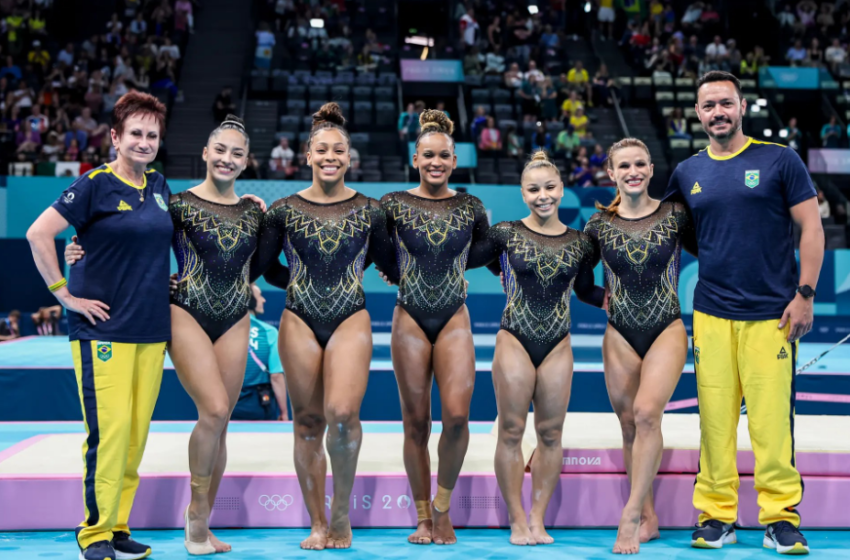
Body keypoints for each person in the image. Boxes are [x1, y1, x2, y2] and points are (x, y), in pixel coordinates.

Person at [64, 114, 269, 557]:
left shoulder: (254, 210)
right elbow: (129, 238)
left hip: (234, 315)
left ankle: (203, 524)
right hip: (185, 312)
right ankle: (192, 520)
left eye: (237, 153)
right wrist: (77, 251)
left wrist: (251, 283)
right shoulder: (172, 202)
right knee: (213, 411)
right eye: (220, 150)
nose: (227, 159)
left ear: (246, 161)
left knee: (222, 425)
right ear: (205, 153)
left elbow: (258, 263)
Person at [665, 70, 824, 554]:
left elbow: (811, 227)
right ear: (698, 113)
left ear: (741, 106)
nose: (718, 113)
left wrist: (806, 293)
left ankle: (779, 516)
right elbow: (668, 233)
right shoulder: (686, 173)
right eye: (709, 105)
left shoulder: (779, 160)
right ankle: (716, 515)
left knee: (772, 422)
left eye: (726, 103)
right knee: (714, 420)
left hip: (772, 316)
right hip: (712, 315)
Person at [27, 91, 171, 560]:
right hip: (102, 332)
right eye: (136, 133)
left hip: (151, 331)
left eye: (152, 135)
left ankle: (119, 524)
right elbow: (39, 233)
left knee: (134, 435)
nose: (144, 142)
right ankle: (94, 532)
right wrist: (63, 294)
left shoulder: (161, 187)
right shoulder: (93, 185)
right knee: (107, 434)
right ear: (115, 136)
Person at [253, 102, 399, 550]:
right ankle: (318, 522)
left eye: (338, 149)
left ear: (348, 157)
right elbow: (263, 267)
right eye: (322, 149)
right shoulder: (283, 210)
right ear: (308, 155)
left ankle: (341, 512)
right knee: (308, 422)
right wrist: (297, 279)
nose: (330, 156)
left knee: (342, 414)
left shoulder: (371, 211)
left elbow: (391, 262)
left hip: (349, 315)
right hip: (298, 317)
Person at [379, 110, 491, 546]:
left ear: (455, 159)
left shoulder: (470, 207)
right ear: (415, 157)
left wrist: (455, 268)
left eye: (444, 155)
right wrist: (396, 273)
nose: (436, 162)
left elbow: (483, 252)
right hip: (409, 315)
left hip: (453, 316)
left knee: (459, 418)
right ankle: (424, 516)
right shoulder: (392, 204)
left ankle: (443, 509)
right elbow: (374, 250)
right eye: (428, 155)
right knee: (416, 424)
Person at [481, 151, 602, 545]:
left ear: (562, 189)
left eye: (550, 187)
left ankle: (538, 518)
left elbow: (586, 291)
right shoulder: (504, 234)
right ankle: (517, 518)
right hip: (514, 337)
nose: (543, 196)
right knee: (512, 430)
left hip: (557, 343)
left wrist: (628, 299)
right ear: (522, 193)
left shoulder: (581, 242)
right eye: (534, 189)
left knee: (550, 432)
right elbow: (461, 259)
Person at [584, 138, 697, 554]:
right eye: (623, 166)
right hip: (619, 333)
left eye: (640, 164)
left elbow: (714, 252)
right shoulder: (598, 225)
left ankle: (629, 516)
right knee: (630, 425)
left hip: (666, 326)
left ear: (651, 169)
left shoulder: (675, 216)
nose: (632, 171)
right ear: (610, 173)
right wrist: (600, 299)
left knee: (648, 413)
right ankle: (649, 515)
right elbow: (579, 280)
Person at [232, 283, 289, 421]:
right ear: (249, 300)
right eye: (259, 296)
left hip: (228, 403)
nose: (263, 300)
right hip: (259, 404)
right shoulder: (268, 332)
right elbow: (276, 376)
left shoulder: (225, 330)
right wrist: (284, 413)